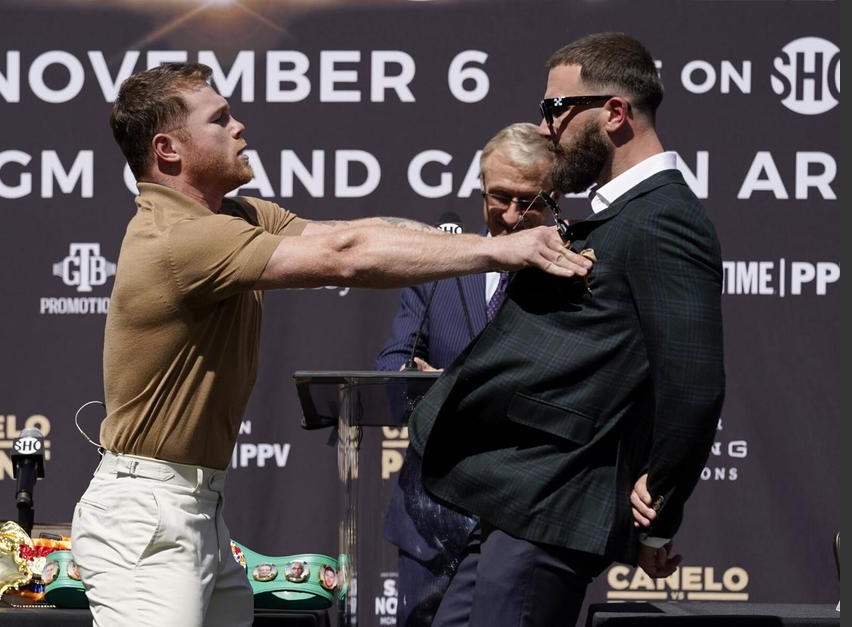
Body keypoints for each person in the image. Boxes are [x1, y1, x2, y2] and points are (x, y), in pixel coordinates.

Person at [69, 62, 592, 627]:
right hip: (148, 514)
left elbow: (351, 232)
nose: (239, 126)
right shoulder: (181, 239)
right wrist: (498, 250)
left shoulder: (237, 216)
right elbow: (345, 255)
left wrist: (483, 242)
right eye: (219, 120)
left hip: (195, 508)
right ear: (168, 150)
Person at [408, 32, 726, 627]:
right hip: (514, 503)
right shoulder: (623, 216)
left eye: (556, 107)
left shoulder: (665, 219)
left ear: (614, 113)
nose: (544, 126)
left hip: (552, 508)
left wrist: (658, 508)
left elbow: (692, 384)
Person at [376, 123, 556, 626]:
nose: (513, 215)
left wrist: (457, 382)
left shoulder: (570, 279)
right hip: (430, 521)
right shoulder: (440, 270)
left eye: (529, 201)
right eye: (500, 197)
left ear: (555, 198)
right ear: (481, 189)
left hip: (520, 520)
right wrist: (411, 377)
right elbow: (391, 366)